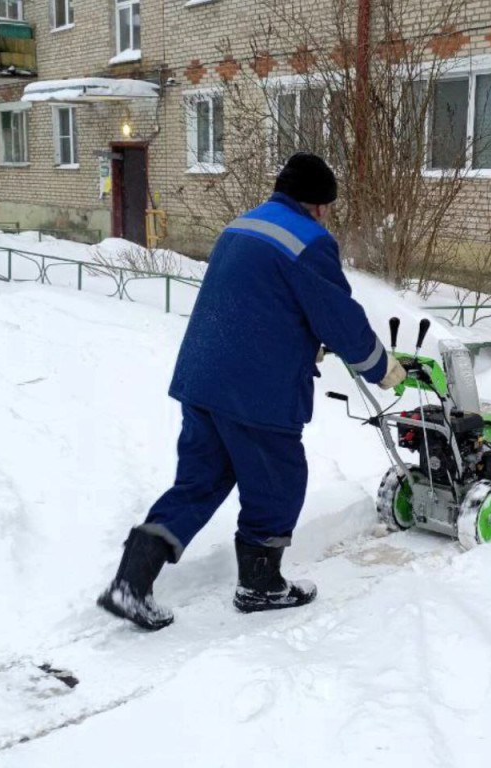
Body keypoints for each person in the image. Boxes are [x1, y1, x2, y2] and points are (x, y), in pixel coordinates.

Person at [97, 152, 407, 631]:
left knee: (198, 481)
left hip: (204, 377)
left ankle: (131, 582)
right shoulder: (310, 240)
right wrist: (380, 367)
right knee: (278, 481)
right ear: (320, 204)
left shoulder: (243, 225)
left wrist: (296, 342)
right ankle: (260, 587)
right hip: (255, 391)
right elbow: (339, 317)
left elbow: (251, 300)